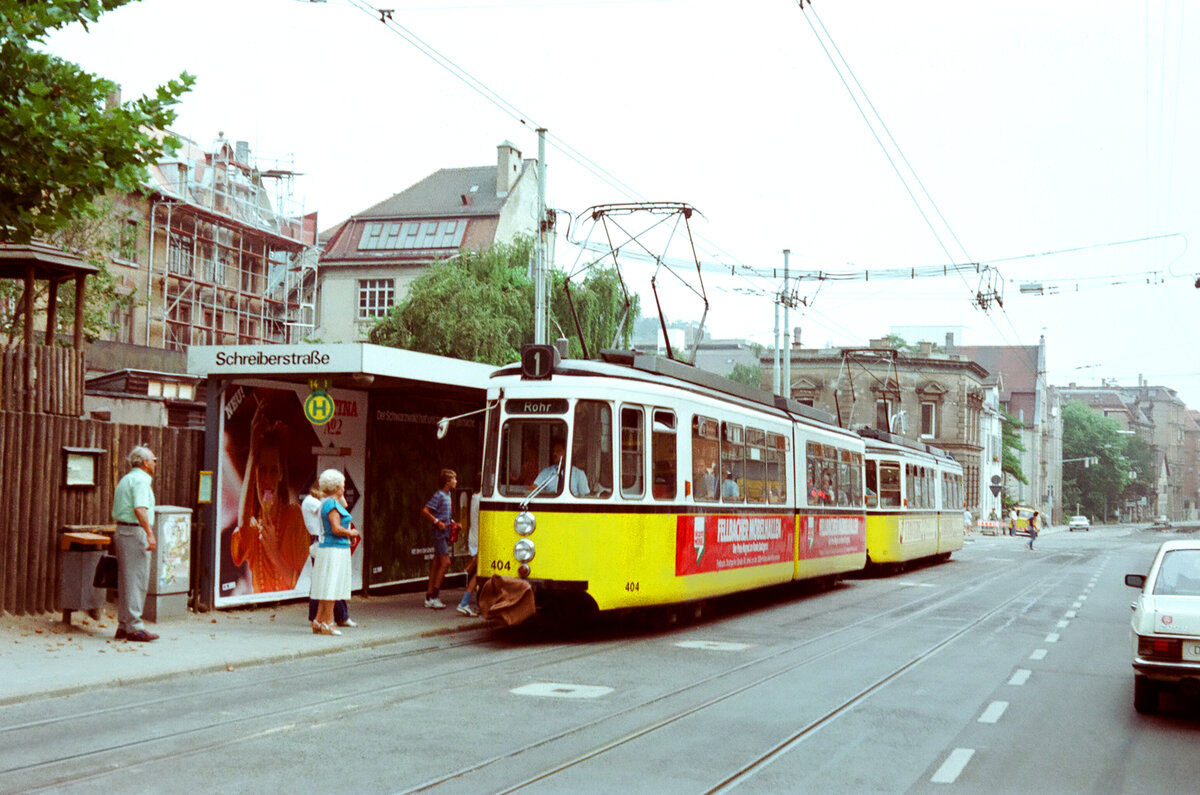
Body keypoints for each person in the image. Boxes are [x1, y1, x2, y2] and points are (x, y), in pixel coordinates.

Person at [231, 401, 310, 593]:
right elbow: (242, 525)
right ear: (254, 478)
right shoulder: (253, 525)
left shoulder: (294, 517)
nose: (267, 479)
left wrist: (274, 552)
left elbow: (301, 584)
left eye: (273, 471)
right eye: (262, 471)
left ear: (281, 474)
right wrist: (252, 455)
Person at [111, 445, 159, 642]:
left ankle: (124, 624)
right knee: (137, 580)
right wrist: (149, 533)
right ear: (145, 462)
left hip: (123, 530)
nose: (155, 463)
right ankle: (134, 626)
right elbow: (140, 509)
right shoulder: (140, 481)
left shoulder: (127, 479)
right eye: (154, 460)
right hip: (135, 531)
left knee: (127, 580)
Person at [311, 469, 359, 635]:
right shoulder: (331, 504)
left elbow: (344, 506)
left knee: (326, 586)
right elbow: (336, 528)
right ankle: (328, 623)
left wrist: (338, 493)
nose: (344, 489)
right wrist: (351, 533)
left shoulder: (327, 502)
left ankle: (318, 620)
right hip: (335, 549)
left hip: (330, 548)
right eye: (342, 486)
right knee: (332, 586)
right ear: (337, 487)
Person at [302, 485, 354, 628]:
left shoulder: (324, 502)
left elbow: (342, 506)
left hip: (322, 542)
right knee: (329, 581)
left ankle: (324, 617)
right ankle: (328, 618)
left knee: (324, 581)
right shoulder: (315, 501)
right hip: (323, 542)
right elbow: (337, 512)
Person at [421, 468, 457, 609]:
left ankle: (429, 596)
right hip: (439, 534)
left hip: (445, 533)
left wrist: (453, 523)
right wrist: (437, 522)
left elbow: (444, 514)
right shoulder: (439, 495)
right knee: (445, 562)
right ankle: (435, 596)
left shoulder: (448, 495)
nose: (456, 481)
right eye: (454, 479)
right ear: (447, 482)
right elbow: (425, 511)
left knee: (436, 564)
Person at [457, 487, 481, 617]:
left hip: (473, 538)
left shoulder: (474, 497)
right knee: (478, 573)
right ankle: (464, 603)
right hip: (479, 540)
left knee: (477, 572)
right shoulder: (482, 498)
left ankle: (477, 604)